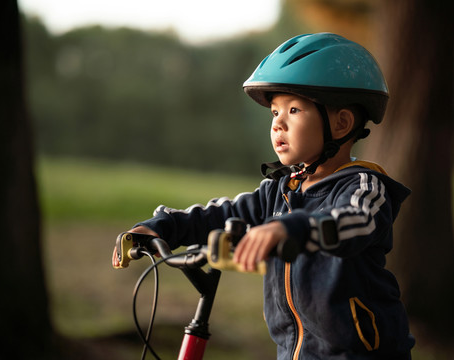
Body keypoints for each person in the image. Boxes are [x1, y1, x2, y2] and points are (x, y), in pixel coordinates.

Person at [113, 33, 415, 359]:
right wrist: (164, 226)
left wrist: (292, 228)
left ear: (341, 124)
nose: (278, 124)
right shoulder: (280, 190)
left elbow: (352, 222)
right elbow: (224, 212)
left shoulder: (364, 188)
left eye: (294, 110)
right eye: (274, 113)